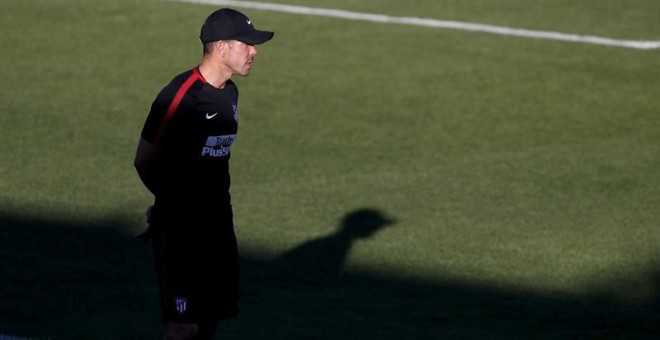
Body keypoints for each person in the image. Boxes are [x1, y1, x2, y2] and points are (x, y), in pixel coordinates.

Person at [133, 8, 274, 340]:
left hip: (218, 223)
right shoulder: (181, 96)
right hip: (182, 229)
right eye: (247, 44)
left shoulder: (230, 93)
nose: (254, 51)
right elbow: (144, 159)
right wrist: (168, 208)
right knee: (183, 327)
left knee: (211, 317)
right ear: (222, 47)